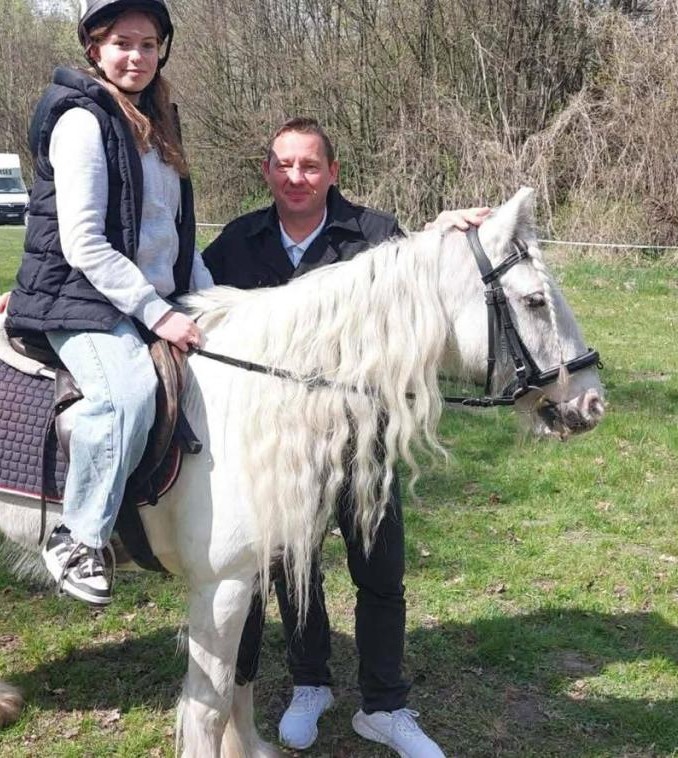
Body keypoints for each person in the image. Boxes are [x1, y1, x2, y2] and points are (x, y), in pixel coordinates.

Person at [203, 117, 488, 757]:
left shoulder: (374, 235)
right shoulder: (238, 243)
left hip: (366, 437)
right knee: (291, 570)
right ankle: (310, 683)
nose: (296, 177)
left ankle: (384, 706)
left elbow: (428, 280)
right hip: (277, 447)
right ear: (267, 172)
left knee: (380, 572)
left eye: (310, 165)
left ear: (332, 173)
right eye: (283, 165)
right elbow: (191, 304)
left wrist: (443, 232)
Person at [3, 0, 212, 607]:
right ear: (95, 48)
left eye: (148, 45)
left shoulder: (160, 118)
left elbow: (178, 235)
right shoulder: (80, 120)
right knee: (127, 394)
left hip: (147, 296)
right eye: (123, 43)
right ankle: (78, 536)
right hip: (80, 298)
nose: (137, 57)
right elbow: (84, 243)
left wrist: (209, 302)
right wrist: (159, 314)